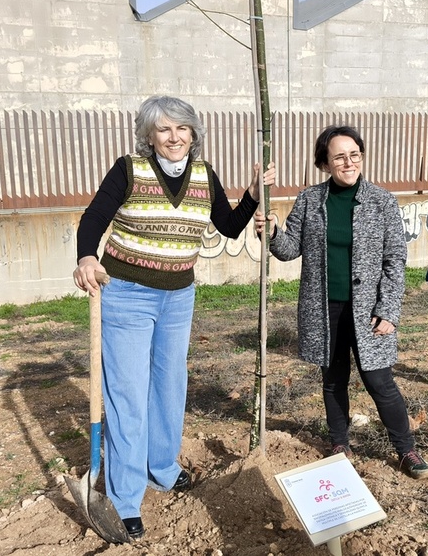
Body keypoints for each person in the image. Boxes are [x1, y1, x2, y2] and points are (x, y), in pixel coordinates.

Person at [73, 95, 276, 540]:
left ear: (193, 134)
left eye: (182, 129)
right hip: (126, 295)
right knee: (127, 394)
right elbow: (93, 219)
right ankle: (125, 497)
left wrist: (254, 197)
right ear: (149, 135)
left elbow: (227, 225)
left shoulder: (204, 175)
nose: (174, 137)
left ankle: (161, 467)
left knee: (169, 384)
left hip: (178, 297)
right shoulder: (128, 169)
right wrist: (87, 257)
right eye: (164, 129)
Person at [255, 125, 428, 479]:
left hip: (369, 312)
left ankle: (406, 449)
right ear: (325, 162)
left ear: (362, 157)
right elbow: (291, 250)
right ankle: (340, 443)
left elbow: (395, 260)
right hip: (324, 310)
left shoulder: (382, 201)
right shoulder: (310, 200)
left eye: (354, 154)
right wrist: (272, 232)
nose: (349, 162)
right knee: (333, 379)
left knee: (380, 381)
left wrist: (389, 310)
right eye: (339, 156)